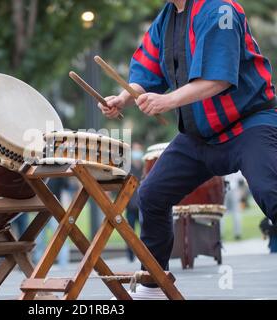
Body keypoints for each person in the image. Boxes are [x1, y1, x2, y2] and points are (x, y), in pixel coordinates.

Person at [99, 0, 276, 299]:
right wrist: (123, 98)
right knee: (151, 195)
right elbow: (145, 74)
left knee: (270, 191)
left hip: (248, 125)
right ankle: (153, 285)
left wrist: (167, 101)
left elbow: (219, 79)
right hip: (198, 136)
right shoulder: (165, 20)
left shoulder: (220, 10)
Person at [125, 143, 144, 262]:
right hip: (130, 206)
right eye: (135, 150)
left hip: (142, 206)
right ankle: (130, 256)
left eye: (138, 150)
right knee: (130, 233)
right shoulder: (128, 168)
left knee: (144, 231)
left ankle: (143, 255)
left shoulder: (144, 168)